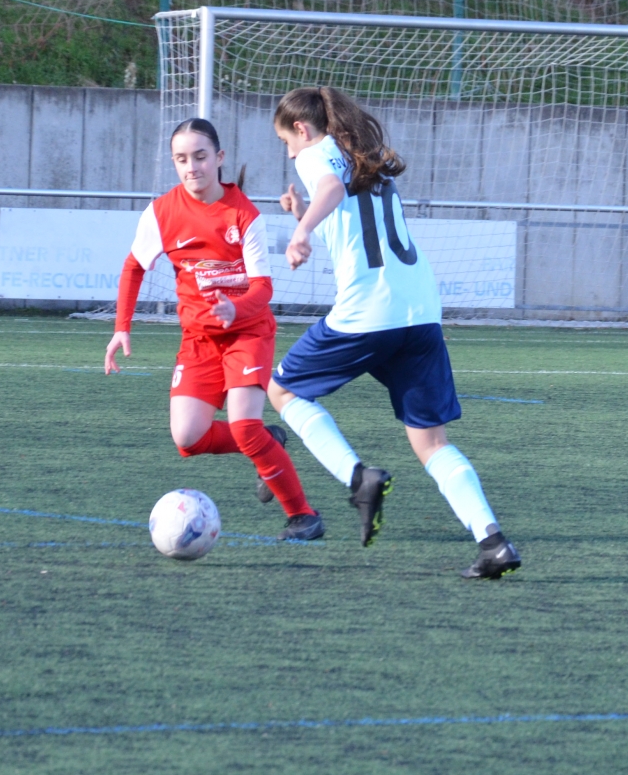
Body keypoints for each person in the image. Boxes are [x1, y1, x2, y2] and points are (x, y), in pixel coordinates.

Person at [265, 85, 520, 579]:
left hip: (367, 312)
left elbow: (331, 192)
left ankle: (358, 479)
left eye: (285, 140)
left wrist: (299, 232)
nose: (289, 151)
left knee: (283, 390)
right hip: (420, 311)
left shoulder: (316, 155)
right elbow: (351, 219)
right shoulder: (366, 157)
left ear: (301, 128)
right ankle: (493, 543)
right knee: (431, 444)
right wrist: (302, 217)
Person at [105, 118, 322, 542]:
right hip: (199, 339)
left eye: (200, 157)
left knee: (243, 426)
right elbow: (133, 268)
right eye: (181, 159)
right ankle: (268, 440)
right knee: (187, 438)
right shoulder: (162, 212)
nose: (191, 167)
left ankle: (303, 516)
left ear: (219, 159)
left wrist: (234, 308)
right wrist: (121, 328)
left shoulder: (244, 215)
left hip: (247, 332)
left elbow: (263, 287)